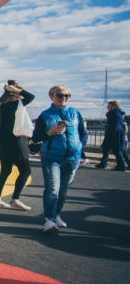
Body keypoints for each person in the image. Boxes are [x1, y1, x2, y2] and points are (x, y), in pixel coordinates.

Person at [31, 85, 88, 233]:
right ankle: (49, 220)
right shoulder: (45, 115)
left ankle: (57, 215)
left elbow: (83, 133)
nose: (63, 98)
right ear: (51, 96)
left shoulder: (75, 113)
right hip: (52, 157)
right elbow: (36, 137)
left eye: (67, 95)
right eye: (60, 95)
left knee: (63, 190)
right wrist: (50, 133)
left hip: (72, 158)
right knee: (52, 189)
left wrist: (80, 147)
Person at [0, 80, 35, 210]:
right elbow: (30, 96)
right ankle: (15, 198)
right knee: (26, 170)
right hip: (15, 142)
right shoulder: (15, 104)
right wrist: (16, 90)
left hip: (2, 142)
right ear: (14, 93)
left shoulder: (0, 104)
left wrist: (12, 90)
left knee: (5, 170)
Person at [96, 101, 127, 171]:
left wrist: (108, 126)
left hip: (113, 134)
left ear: (113, 106)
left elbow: (114, 126)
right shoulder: (119, 113)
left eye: (109, 106)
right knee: (115, 149)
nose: (107, 107)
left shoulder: (112, 114)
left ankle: (121, 166)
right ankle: (105, 164)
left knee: (116, 150)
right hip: (119, 133)